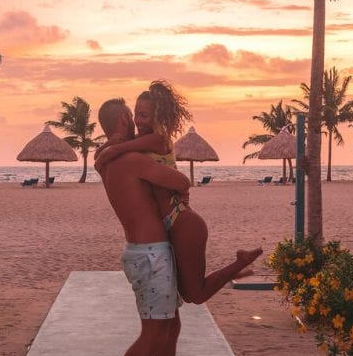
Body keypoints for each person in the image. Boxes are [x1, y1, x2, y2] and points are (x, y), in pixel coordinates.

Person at [95, 80, 261, 305]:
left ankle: (239, 263)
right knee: (187, 292)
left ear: (158, 118)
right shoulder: (139, 143)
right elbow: (110, 157)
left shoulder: (159, 139)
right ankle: (233, 270)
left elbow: (118, 153)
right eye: (136, 114)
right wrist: (109, 146)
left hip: (183, 220)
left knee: (195, 295)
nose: (138, 121)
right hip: (168, 226)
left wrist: (113, 147)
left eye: (144, 115)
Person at [94, 97, 197, 356]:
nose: (139, 120)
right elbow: (182, 183)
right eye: (134, 115)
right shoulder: (134, 160)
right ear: (125, 118)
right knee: (154, 333)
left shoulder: (105, 160)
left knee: (171, 326)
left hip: (144, 253)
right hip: (151, 256)